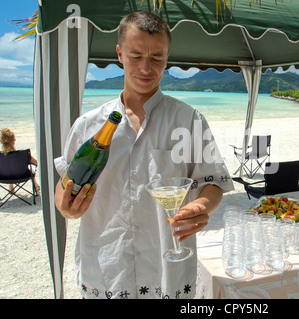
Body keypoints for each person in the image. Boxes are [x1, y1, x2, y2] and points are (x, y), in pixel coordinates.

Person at [54, 11, 234, 299]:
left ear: (168, 57)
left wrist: (202, 207)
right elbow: (64, 187)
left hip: (167, 268)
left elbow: (212, 183)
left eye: (157, 58)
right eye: (135, 55)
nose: (146, 68)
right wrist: (66, 207)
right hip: (105, 267)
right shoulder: (87, 125)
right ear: (119, 54)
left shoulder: (189, 120)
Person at [1, 128, 40, 193]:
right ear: (14, 140)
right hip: (22, 175)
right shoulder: (24, 154)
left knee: (9, 167)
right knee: (31, 169)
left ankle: (11, 186)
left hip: (4, 177)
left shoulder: (1, 156)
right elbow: (37, 163)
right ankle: (35, 185)